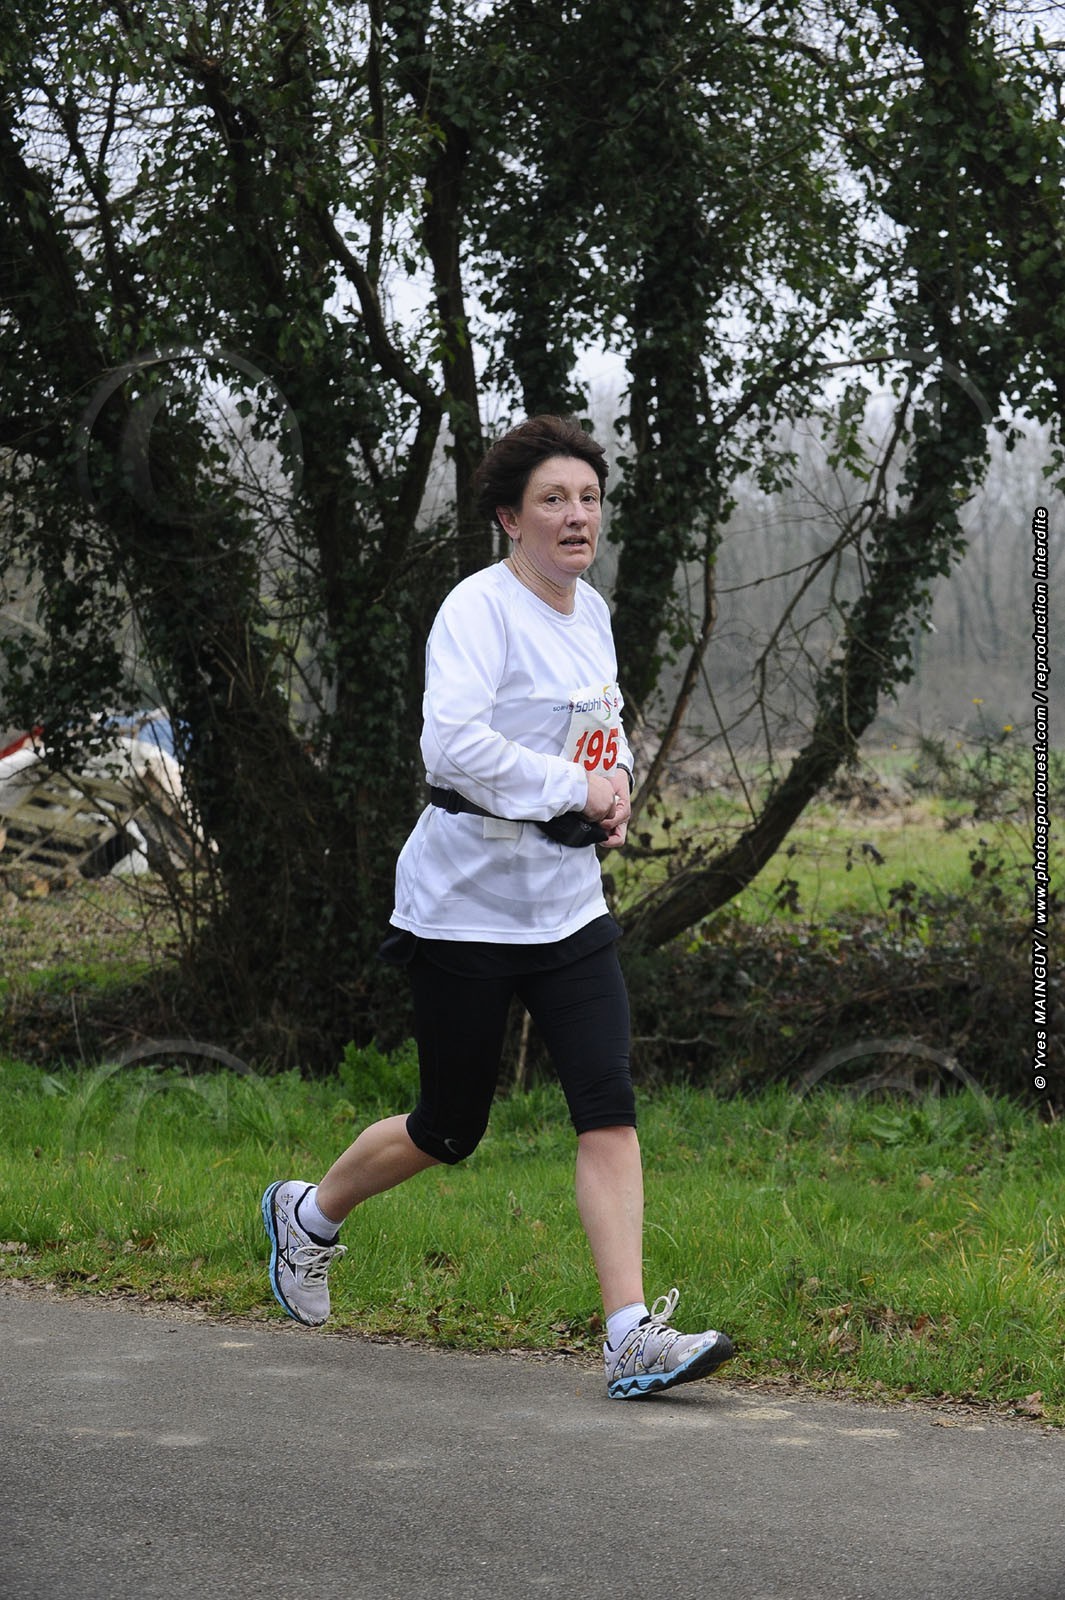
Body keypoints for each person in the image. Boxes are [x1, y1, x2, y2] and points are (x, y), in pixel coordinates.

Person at [262, 414, 733, 1399]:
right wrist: (572, 787)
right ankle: (307, 1215)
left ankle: (629, 1335)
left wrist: (615, 789)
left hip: (566, 908)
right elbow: (452, 747)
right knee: (449, 1126)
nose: (577, 515)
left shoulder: (590, 612)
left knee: (606, 1106)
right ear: (511, 518)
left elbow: (602, 730)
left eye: (588, 498)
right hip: (464, 907)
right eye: (553, 499)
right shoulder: (477, 611)